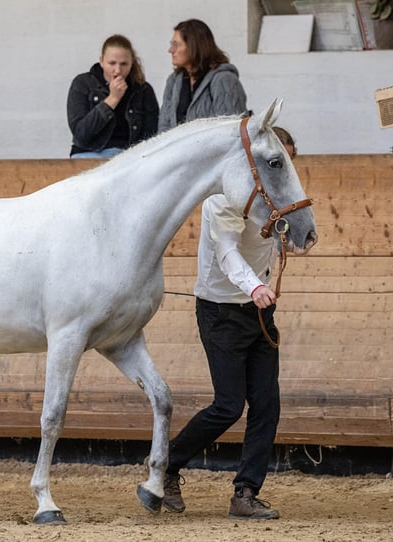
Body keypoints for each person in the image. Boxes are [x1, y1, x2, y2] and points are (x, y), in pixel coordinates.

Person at [157, 129, 298, 520]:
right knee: (228, 405)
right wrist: (255, 287)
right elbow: (227, 252)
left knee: (267, 405)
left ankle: (245, 492)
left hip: (258, 312)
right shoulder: (222, 198)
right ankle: (166, 466)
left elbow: (276, 237)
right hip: (221, 310)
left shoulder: (276, 198)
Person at [67, 34, 159, 158]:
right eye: (112, 63)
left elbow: (151, 135)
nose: (118, 70)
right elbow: (81, 134)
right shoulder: (83, 83)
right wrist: (112, 99)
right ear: (101, 61)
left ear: (132, 62)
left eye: (124, 64)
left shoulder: (143, 90)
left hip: (129, 155)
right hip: (89, 153)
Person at [158, 19, 248, 132]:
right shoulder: (174, 80)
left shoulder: (224, 79)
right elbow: (164, 127)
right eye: (172, 44)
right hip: (177, 149)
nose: (170, 50)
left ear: (193, 46)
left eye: (176, 45)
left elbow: (231, 131)